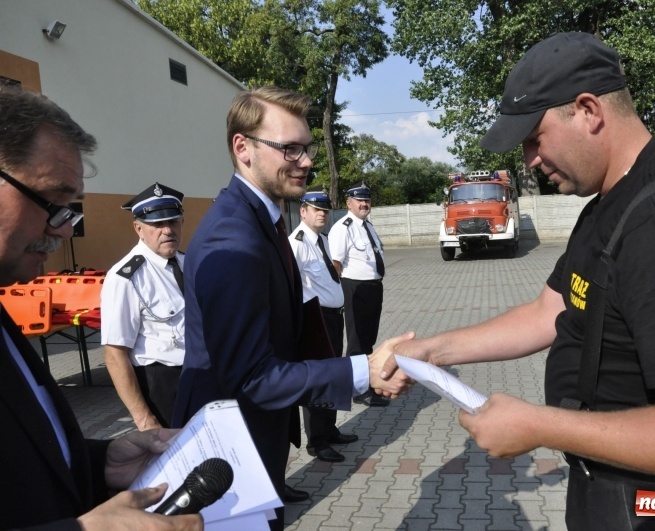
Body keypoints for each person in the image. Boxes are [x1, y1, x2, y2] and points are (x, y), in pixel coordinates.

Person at [389, 32, 655, 530]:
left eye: (533, 138)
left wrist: (539, 425)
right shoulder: (609, 206)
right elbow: (548, 312)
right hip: (616, 496)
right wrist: (432, 353)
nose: (528, 160)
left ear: (588, 110)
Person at [172, 86, 412, 530]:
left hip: (254, 434)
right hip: (228, 451)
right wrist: (363, 371)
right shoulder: (234, 239)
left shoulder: (260, 219)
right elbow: (253, 377)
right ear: (242, 148)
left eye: (307, 148)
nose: (305, 161)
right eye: (289, 148)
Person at [0, 85, 201, 529]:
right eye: (52, 202)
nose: (66, 231)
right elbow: (116, 351)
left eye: (69, 209)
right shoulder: (125, 276)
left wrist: (99, 460)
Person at [101, 183, 186, 431]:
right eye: (157, 225)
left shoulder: (189, 263)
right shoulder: (125, 277)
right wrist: (144, 419)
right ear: (138, 228)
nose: (168, 230)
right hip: (162, 387)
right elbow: (114, 354)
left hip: (200, 378)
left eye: (173, 221)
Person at [288, 190, 359, 463]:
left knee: (333, 375)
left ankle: (329, 429)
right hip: (314, 319)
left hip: (332, 317)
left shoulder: (325, 241)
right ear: (302, 211)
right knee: (318, 379)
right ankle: (317, 441)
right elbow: (291, 287)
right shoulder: (296, 243)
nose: (322, 213)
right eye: (315, 209)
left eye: (325, 210)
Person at [328, 183, 389, 407]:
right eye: (359, 200)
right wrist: (338, 294)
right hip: (354, 288)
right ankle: (357, 390)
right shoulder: (343, 227)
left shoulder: (367, 226)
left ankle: (366, 384)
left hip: (372, 287)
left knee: (368, 340)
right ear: (348, 203)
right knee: (356, 342)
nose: (364, 204)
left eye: (367, 200)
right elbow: (336, 263)